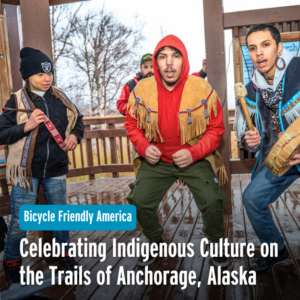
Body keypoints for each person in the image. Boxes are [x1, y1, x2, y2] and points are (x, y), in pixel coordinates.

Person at [125, 35, 229, 267]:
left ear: (184, 61)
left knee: (212, 200)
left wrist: (195, 152)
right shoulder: (141, 89)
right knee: (138, 200)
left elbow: (216, 128)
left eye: (175, 56)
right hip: (156, 159)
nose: (169, 63)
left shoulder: (202, 88)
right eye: (163, 57)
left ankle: (215, 242)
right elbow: (131, 125)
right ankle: (154, 240)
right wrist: (143, 146)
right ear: (156, 62)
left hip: (194, 156)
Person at [0, 47, 85, 285]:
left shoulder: (60, 96)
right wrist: (25, 126)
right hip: (26, 172)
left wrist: (75, 137)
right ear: (28, 76)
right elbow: (1, 133)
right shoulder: (15, 100)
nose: (47, 78)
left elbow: (79, 120)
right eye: (40, 73)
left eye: (49, 73)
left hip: (56, 168)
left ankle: (65, 258)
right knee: (20, 221)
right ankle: (12, 263)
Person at [234, 23, 300, 272]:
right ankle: (276, 247)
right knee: (251, 198)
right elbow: (246, 133)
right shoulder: (250, 90)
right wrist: (250, 141)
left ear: (279, 47)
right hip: (277, 158)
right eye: (252, 48)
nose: (259, 53)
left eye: (265, 45)